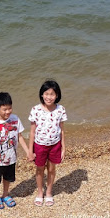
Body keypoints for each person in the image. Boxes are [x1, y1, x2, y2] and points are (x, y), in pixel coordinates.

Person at [0, 92, 30, 209]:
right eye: (4, 109)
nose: (8, 112)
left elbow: (19, 136)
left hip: (11, 157)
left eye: (10, 108)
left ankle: (5, 195)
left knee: (8, 178)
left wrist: (28, 151)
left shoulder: (15, 119)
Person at [28, 79, 67, 207]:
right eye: (46, 93)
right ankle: (40, 192)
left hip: (55, 144)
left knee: (51, 169)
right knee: (39, 169)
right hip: (39, 145)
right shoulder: (35, 110)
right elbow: (32, 132)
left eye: (52, 94)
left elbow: (62, 130)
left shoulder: (60, 110)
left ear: (57, 96)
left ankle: (49, 192)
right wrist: (30, 150)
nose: (49, 97)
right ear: (41, 94)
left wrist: (63, 147)